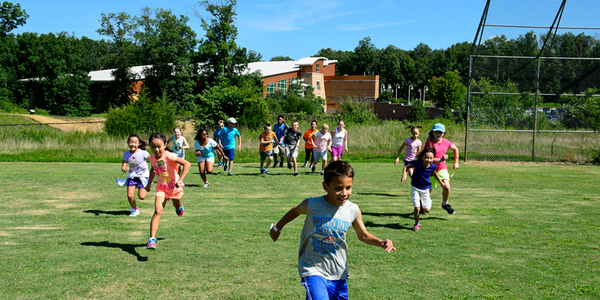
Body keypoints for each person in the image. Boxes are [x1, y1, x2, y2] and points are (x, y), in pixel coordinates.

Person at [269, 161, 396, 299]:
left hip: (338, 271)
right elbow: (295, 211)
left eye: (348, 187)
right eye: (338, 188)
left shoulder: (353, 210)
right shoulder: (312, 204)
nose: (344, 193)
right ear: (325, 186)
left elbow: (363, 235)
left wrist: (380, 242)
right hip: (312, 268)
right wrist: (277, 228)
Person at [145, 133, 191, 250]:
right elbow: (153, 170)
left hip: (174, 188)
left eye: (159, 146)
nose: (156, 149)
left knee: (177, 206)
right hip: (161, 189)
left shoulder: (169, 156)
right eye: (153, 147)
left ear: (165, 145)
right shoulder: (151, 158)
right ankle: (152, 239)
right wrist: (149, 184)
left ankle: (179, 206)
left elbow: (187, 164)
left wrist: (181, 180)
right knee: (158, 211)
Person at [402, 148, 441, 232]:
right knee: (417, 207)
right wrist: (404, 175)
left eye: (431, 158)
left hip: (426, 189)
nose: (429, 160)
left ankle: (422, 201)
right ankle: (417, 223)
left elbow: (435, 174)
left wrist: (442, 183)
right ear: (422, 157)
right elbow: (406, 166)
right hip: (415, 188)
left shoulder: (433, 166)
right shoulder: (417, 164)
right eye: (427, 157)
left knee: (427, 210)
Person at [424, 123, 459, 215]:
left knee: (446, 186)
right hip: (430, 170)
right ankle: (421, 206)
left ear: (444, 133)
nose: (438, 134)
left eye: (440, 132)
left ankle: (445, 204)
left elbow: (455, 149)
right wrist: (440, 159)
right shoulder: (430, 143)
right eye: (436, 132)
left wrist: (456, 162)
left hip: (441, 169)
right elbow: (427, 158)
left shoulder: (446, 142)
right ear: (433, 132)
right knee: (427, 193)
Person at [121, 134, 150, 217]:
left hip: (143, 176)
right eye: (130, 142)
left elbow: (152, 159)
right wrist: (124, 169)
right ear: (127, 143)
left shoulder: (143, 153)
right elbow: (123, 166)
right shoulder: (126, 154)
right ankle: (134, 209)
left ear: (138, 144)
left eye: (134, 142)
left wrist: (160, 164)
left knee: (142, 196)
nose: (132, 144)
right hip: (132, 176)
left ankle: (144, 185)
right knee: (129, 195)